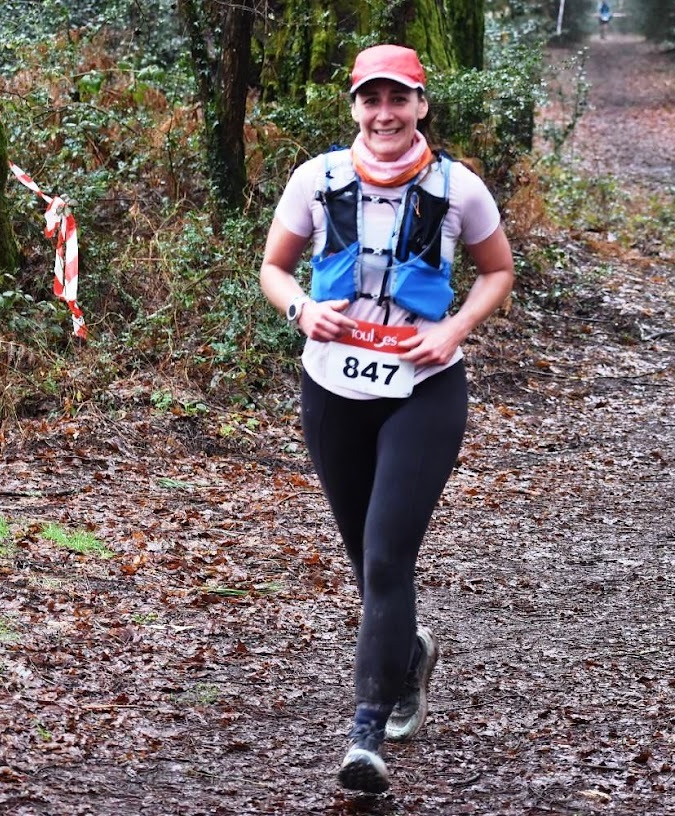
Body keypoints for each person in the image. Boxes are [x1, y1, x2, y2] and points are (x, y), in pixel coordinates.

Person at [258, 44, 515, 794]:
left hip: (423, 390)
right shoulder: (316, 179)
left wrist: (455, 328)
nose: (384, 114)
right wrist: (301, 310)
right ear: (354, 108)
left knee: (385, 559)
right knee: (365, 561)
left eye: (398, 99)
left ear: (421, 105)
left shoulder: (459, 189)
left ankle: (365, 736)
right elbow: (274, 269)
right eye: (371, 100)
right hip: (332, 388)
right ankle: (409, 655)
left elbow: (498, 270)